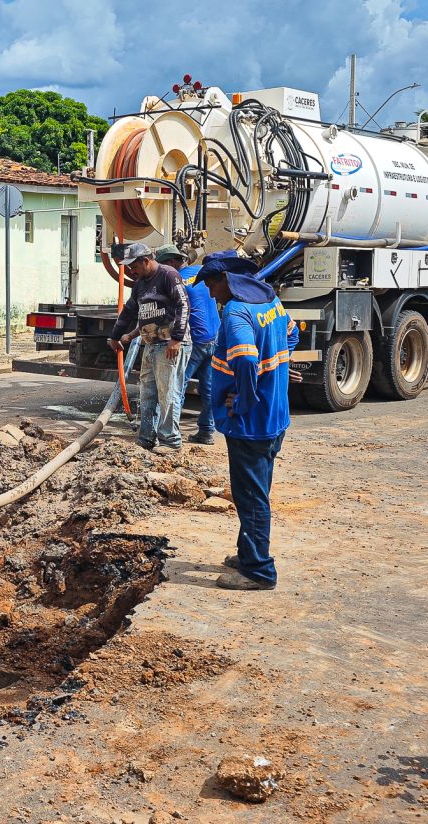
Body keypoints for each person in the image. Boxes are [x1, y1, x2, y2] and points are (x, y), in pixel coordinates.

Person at [198, 255, 299, 591]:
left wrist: (243, 399)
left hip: (250, 423)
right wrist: (276, 373)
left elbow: (244, 359)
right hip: (275, 416)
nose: (211, 294)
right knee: (256, 491)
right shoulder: (270, 301)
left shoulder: (236, 312)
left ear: (225, 279)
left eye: (211, 284)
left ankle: (258, 571)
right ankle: (248, 553)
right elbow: (292, 336)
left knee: (251, 497)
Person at [107, 241, 192, 451]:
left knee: (168, 394)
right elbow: (129, 311)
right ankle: (146, 438)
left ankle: (170, 441)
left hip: (170, 344)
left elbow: (183, 305)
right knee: (148, 394)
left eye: (134, 266)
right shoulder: (140, 285)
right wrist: (116, 336)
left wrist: (176, 339)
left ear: (146, 261)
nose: (132, 271)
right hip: (151, 344)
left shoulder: (168, 275)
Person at [156, 245, 221, 445]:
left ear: (170, 263)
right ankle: (207, 431)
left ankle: (169, 434)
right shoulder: (201, 272)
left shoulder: (175, 280)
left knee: (176, 386)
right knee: (209, 388)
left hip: (195, 341)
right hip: (214, 336)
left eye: (162, 265)